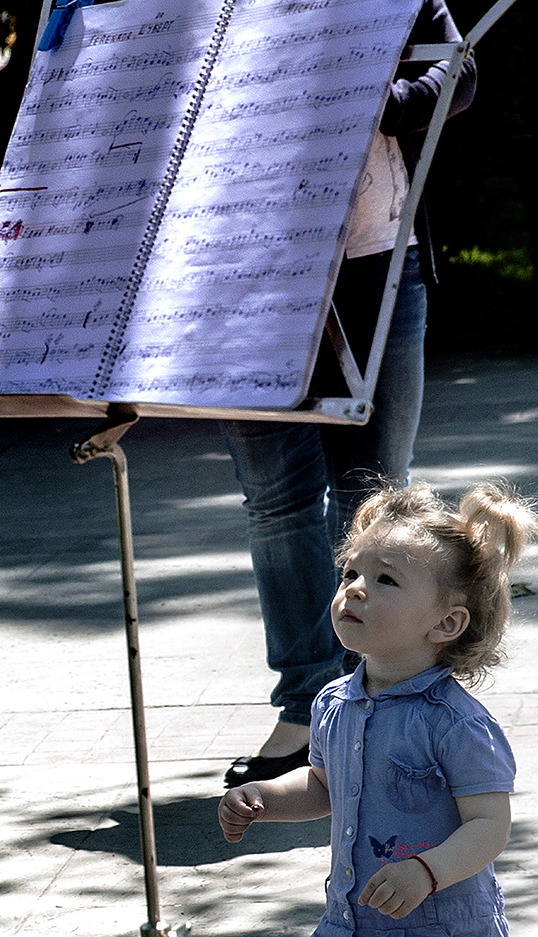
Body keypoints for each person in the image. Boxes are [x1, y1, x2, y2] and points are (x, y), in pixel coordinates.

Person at [221, 0, 478, 786]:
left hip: (378, 266)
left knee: (376, 495)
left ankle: (377, 698)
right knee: (275, 498)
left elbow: (458, 69)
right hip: (244, 269)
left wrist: (381, 101)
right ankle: (305, 706)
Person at [218, 482, 538, 937]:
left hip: (439, 922)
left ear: (446, 623)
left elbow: (489, 825)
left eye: (385, 579)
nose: (355, 590)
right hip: (350, 918)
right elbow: (326, 785)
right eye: (349, 574)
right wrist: (264, 797)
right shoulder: (333, 702)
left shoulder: (454, 722)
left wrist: (428, 871)